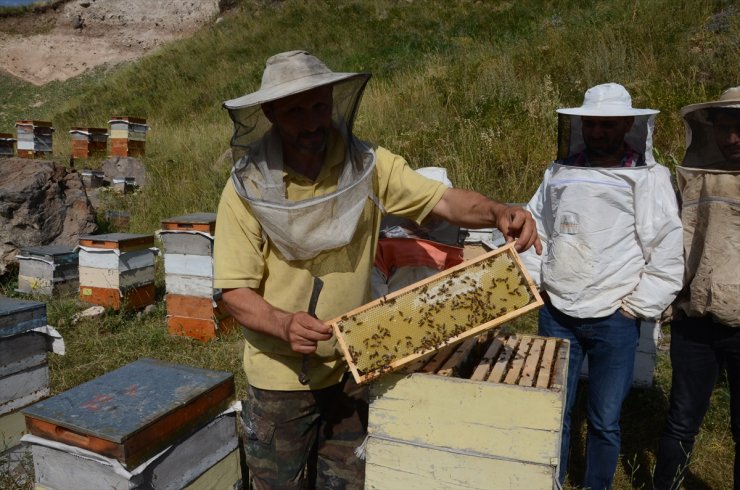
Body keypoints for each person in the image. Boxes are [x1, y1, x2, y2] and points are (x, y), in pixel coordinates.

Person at [212, 50, 541, 489]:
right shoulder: (245, 189)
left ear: (334, 100)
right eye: (295, 111)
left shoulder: (366, 164)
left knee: (347, 482)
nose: (311, 122)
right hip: (280, 381)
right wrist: (283, 322)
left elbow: (442, 200)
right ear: (270, 113)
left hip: (352, 363)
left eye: (319, 106)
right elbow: (234, 290)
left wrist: (498, 211)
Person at [520, 82, 684, 489]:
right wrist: (536, 282)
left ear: (628, 124)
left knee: (604, 420)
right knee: (552, 411)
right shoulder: (559, 172)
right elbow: (534, 228)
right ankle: (550, 482)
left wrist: (637, 306)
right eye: (591, 125)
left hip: (614, 316)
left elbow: (666, 246)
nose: (597, 133)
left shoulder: (648, 178)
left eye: (607, 125)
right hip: (557, 312)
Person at [653, 87, 740, 490]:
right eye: (725, 129)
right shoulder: (696, 178)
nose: (731, 138)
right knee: (682, 421)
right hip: (697, 322)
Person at [371, 166, 464, 299]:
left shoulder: (447, 245)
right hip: (395, 313)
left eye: (438, 212)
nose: (433, 219)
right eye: (427, 211)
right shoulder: (386, 245)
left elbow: (458, 278)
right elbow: (374, 292)